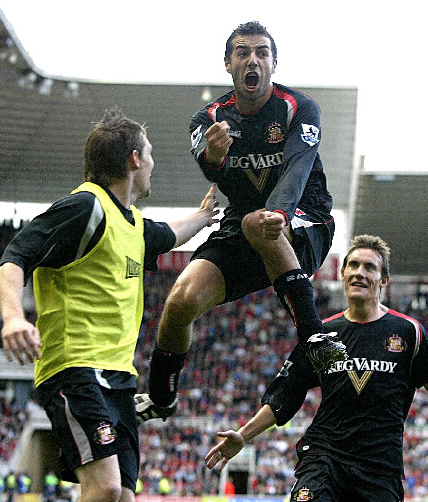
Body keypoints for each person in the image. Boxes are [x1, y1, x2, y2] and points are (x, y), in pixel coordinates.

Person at [0, 107, 219, 502]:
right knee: (106, 488)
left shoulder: (131, 224)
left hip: (119, 380)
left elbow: (169, 234)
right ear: (135, 159)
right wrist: (13, 317)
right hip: (74, 369)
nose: (153, 164)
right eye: (149, 154)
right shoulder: (85, 208)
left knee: (123, 497)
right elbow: (15, 257)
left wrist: (204, 217)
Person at [146, 20, 346, 418]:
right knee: (180, 301)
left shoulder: (299, 108)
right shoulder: (208, 119)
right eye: (242, 52)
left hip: (305, 216)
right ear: (227, 64)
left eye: (261, 53)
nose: (252, 60)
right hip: (241, 224)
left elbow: (297, 167)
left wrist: (280, 214)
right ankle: (160, 397)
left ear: (274, 63)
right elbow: (210, 170)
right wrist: (214, 157)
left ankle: (313, 336)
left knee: (260, 223)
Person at [204, 235, 428, 501]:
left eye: (370, 267)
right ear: (343, 274)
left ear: (384, 280)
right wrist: (243, 435)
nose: (359, 272)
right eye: (353, 265)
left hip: (379, 468)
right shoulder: (323, 334)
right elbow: (285, 395)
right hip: (324, 458)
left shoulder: (408, 332)